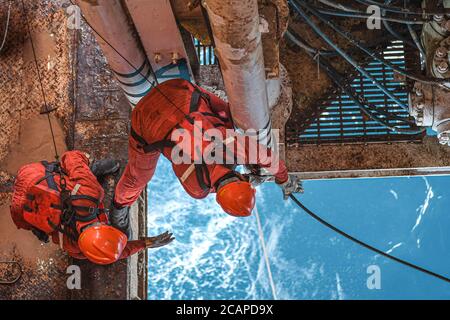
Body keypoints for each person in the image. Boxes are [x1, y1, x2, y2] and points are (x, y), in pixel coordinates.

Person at [111, 79, 302, 236]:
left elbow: (270, 159)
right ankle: (119, 206)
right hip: (146, 119)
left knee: (228, 116)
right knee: (137, 177)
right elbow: (211, 178)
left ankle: (204, 90)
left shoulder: (235, 148)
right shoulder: (198, 189)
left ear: (242, 178)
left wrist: (284, 180)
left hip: (177, 89)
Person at [10, 150, 174, 265]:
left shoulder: (92, 193)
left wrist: (85, 157)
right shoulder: (74, 246)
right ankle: (87, 172)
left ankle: (91, 170)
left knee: (85, 171)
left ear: (104, 226)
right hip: (18, 213)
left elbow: (69, 157)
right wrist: (144, 244)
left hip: (30, 175)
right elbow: (106, 252)